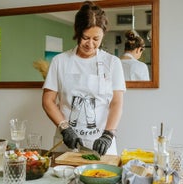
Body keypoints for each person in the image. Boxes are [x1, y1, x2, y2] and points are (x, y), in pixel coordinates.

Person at [42, 1, 126, 156]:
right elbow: (48, 100)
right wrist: (64, 127)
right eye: (86, 37)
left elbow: (116, 103)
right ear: (77, 32)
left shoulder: (112, 63)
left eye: (96, 38)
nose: (91, 44)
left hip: (102, 146)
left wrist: (108, 134)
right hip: (66, 144)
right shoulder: (60, 61)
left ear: (103, 35)